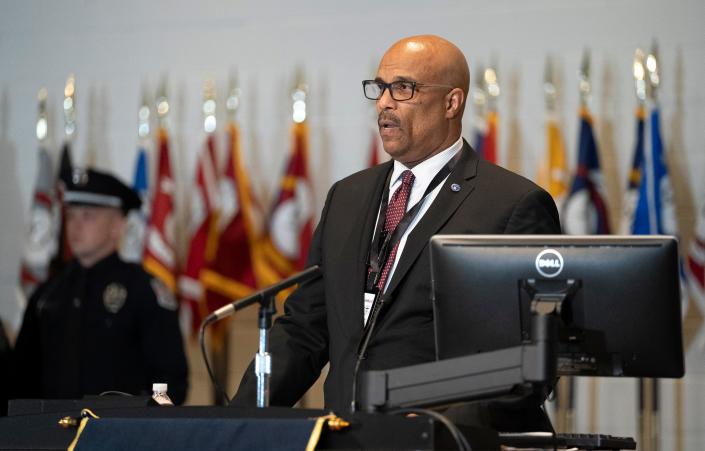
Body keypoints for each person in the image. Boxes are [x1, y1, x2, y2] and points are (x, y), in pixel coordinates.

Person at [231, 35, 560, 425]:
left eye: (403, 88)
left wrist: (438, 417)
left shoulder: (512, 204)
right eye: (380, 88)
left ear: (452, 103)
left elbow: (530, 359)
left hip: (444, 439)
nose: (384, 103)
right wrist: (232, 422)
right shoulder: (347, 197)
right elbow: (306, 328)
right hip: (346, 436)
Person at [12, 168, 188, 404]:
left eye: (88, 216)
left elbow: (168, 380)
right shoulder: (49, 294)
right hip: (53, 436)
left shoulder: (143, 290)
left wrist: (150, 418)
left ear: (117, 226)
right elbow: (21, 380)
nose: (76, 226)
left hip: (121, 435)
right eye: (71, 215)